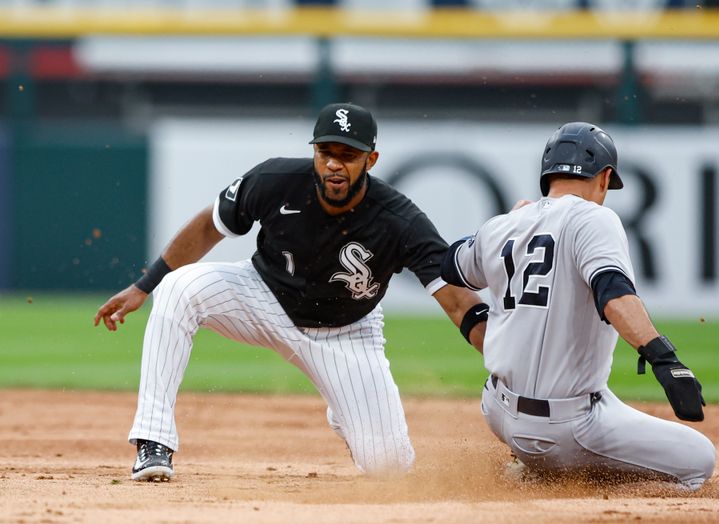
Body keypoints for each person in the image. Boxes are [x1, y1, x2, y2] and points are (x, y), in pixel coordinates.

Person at [94, 103, 487, 482]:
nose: (334, 163)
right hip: (260, 295)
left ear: (371, 160)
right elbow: (207, 227)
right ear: (314, 152)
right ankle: (153, 440)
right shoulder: (274, 180)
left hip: (345, 331)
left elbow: (456, 300)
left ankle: (346, 408)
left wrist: (502, 351)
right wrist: (146, 285)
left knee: (389, 467)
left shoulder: (401, 221)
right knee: (179, 287)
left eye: (348, 154)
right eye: (326, 151)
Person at [440, 122, 716, 490]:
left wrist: (502, 224)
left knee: (601, 395)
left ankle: (532, 465)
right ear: (604, 178)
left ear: (547, 176)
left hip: (498, 412)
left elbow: (452, 265)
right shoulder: (595, 218)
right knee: (699, 461)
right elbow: (614, 294)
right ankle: (574, 483)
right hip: (566, 428)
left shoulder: (503, 225)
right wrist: (665, 359)